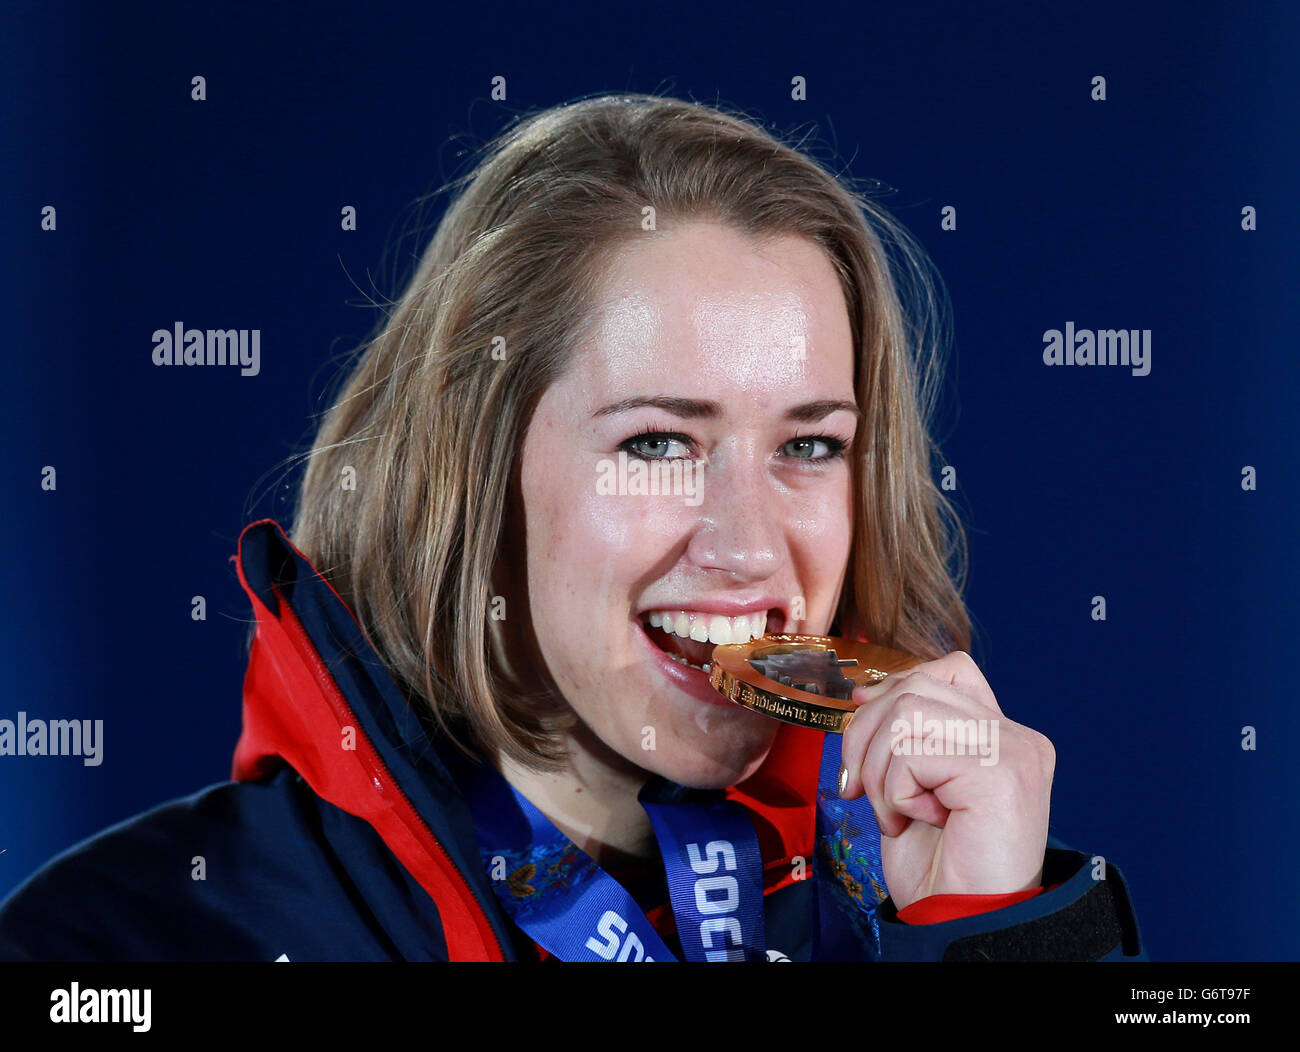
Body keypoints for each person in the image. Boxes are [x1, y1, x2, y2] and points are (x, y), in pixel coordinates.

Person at [0, 93, 1143, 961]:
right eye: (658, 442)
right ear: (479, 466)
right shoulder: (131, 942)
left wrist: (996, 933)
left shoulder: (907, 889)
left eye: (808, 445)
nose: (748, 547)